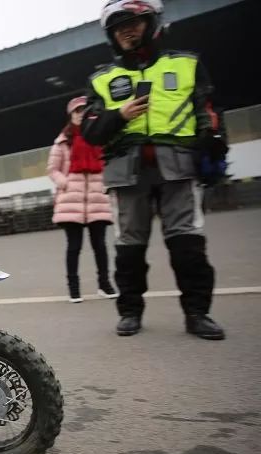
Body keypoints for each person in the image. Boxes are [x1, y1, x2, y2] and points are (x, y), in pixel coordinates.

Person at [82, 0, 227, 339]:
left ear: (153, 23)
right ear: (111, 35)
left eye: (134, 23)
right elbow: (89, 129)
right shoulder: (102, 79)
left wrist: (214, 149)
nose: (127, 31)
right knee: (129, 247)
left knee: (187, 244)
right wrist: (119, 116)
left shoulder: (187, 64)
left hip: (178, 165)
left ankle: (197, 314)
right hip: (126, 171)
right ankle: (130, 312)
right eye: (119, 27)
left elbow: (209, 111)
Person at [49, 96, 118, 303]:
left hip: (96, 197)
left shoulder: (100, 138)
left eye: (84, 111)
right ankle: (74, 288)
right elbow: (52, 169)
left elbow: (108, 164)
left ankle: (104, 284)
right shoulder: (62, 142)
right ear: (71, 116)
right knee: (74, 246)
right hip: (71, 200)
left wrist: (105, 184)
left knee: (100, 245)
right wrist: (66, 183)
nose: (80, 114)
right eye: (76, 111)